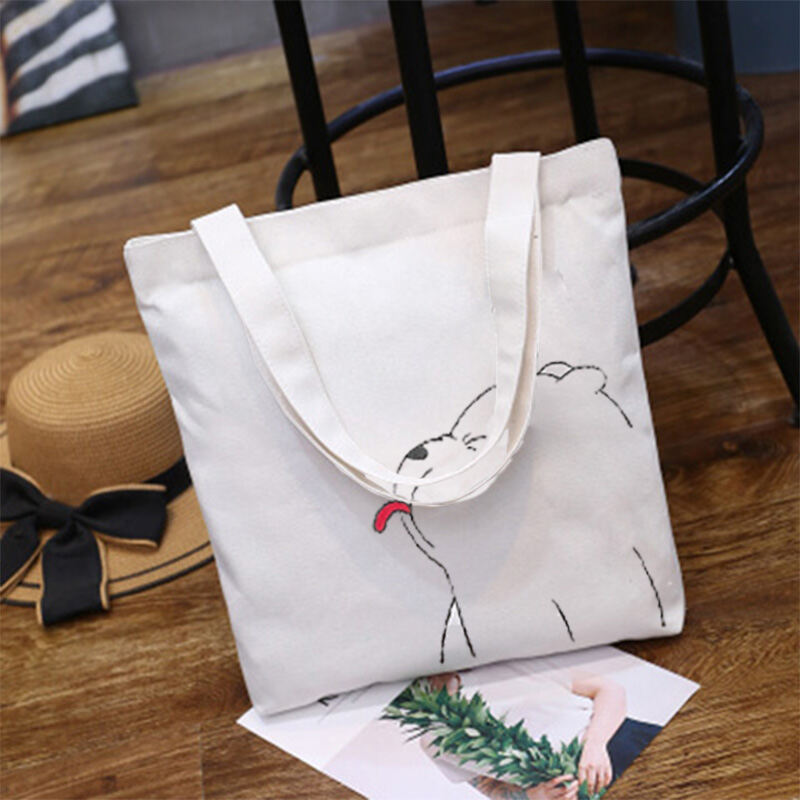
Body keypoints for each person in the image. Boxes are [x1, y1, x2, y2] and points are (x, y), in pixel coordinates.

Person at [423, 657, 661, 800]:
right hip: (570, 791)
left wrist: (595, 745)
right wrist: (532, 797)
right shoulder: (433, 736)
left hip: (618, 742)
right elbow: (491, 787)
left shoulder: (507, 660)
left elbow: (609, 690)